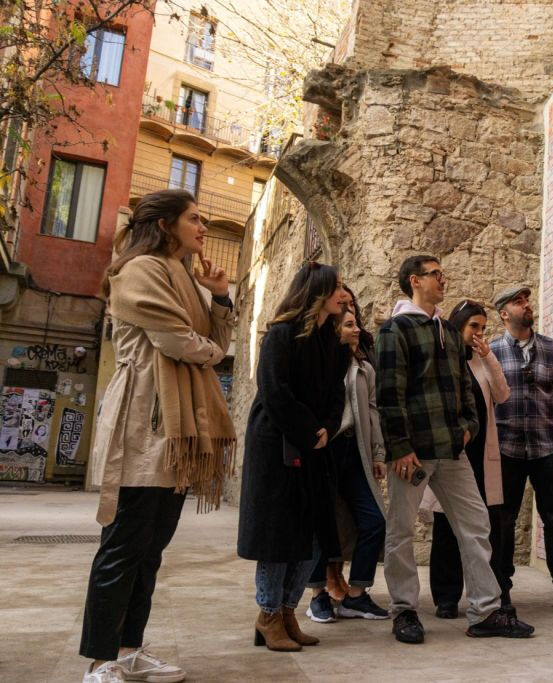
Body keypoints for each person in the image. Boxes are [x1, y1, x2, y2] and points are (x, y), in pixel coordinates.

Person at [81, 189, 236, 683]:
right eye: (195, 219)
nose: (203, 228)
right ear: (166, 224)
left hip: (176, 426)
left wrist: (219, 296)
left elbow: (216, 340)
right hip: (144, 420)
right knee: (124, 545)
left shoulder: (186, 279)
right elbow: (176, 340)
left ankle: (129, 650)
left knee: (151, 549)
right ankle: (100, 663)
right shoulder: (139, 270)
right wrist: (211, 350)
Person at [377, 254, 534, 643]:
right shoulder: (395, 330)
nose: (442, 280)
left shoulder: (447, 331)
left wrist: (468, 426)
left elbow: (465, 386)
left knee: (476, 524)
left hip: (452, 451)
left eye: (442, 275)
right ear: (415, 281)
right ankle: (404, 611)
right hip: (412, 453)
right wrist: (399, 447)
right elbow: (389, 393)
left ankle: (485, 610)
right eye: (435, 275)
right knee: (400, 530)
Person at [237, 262, 350, 652]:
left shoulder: (331, 342)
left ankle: (288, 612)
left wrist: (327, 429)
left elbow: (338, 394)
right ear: (318, 291)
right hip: (277, 445)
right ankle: (268, 614)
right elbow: (274, 391)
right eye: (337, 287)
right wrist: (308, 430)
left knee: (313, 533)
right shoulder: (281, 334)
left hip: (315, 444)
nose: (343, 294)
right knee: (278, 534)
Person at [490, 286, 553, 613]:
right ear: (504, 313)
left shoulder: (551, 350)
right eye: (518, 302)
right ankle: (501, 590)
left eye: (527, 300)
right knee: (502, 522)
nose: (526, 305)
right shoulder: (491, 353)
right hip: (507, 449)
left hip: (548, 448)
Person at [426, 300, 512, 618]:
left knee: (485, 528)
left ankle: (492, 592)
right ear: (458, 325)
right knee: (446, 527)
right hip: (449, 454)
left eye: (482, 328)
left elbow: (503, 395)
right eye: (473, 326)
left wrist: (488, 355)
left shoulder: (481, 361)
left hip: (480, 456)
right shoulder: (440, 356)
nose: (478, 333)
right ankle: (446, 598)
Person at [304, 301, 389, 623]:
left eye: (356, 323)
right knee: (322, 524)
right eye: (349, 324)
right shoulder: (320, 362)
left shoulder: (364, 366)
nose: (357, 330)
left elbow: (372, 410)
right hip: (326, 450)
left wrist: (378, 454)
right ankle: (317, 596)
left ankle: (356, 594)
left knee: (374, 521)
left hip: (356, 452)